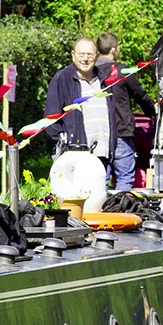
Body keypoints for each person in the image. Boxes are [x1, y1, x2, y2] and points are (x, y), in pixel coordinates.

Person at [45, 37, 113, 212]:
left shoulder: (104, 81)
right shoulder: (62, 79)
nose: (85, 58)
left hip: (102, 154)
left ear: (97, 56)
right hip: (75, 158)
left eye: (90, 54)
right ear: (73, 55)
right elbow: (51, 119)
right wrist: (65, 144)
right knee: (76, 206)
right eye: (81, 54)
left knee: (97, 204)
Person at [95, 32, 156, 192]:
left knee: (100, 181)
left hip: (97, 135)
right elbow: (140, 95)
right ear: (114, 50)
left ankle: (99, 212)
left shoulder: (90, 72)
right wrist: (152, 111)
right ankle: (119, 211)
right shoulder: (121, 71)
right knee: (125, 178)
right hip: (121, 131)